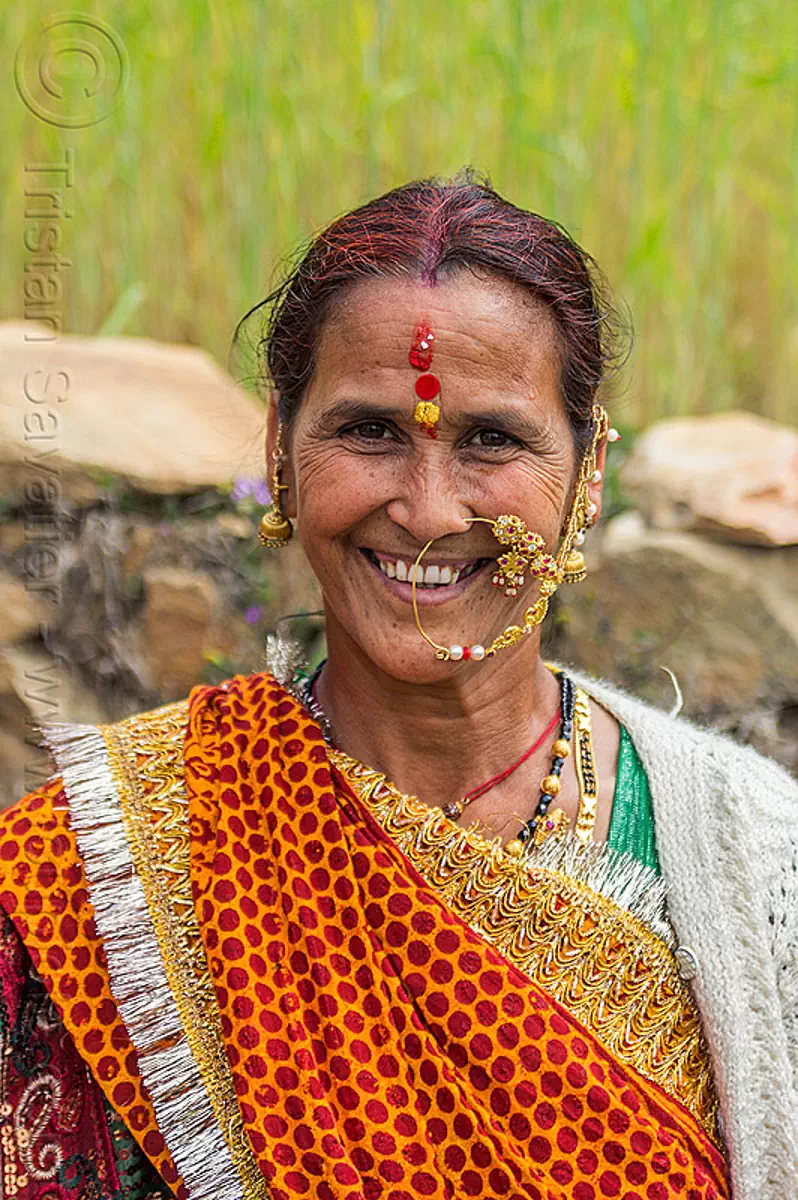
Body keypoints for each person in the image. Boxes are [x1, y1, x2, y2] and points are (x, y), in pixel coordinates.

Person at [0, 170, 795, 1200]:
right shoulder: (96, 876)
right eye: (370, 431)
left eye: (492, 439)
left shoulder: (757, 861)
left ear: (588, 469)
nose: (427, 512)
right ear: (280, 449)